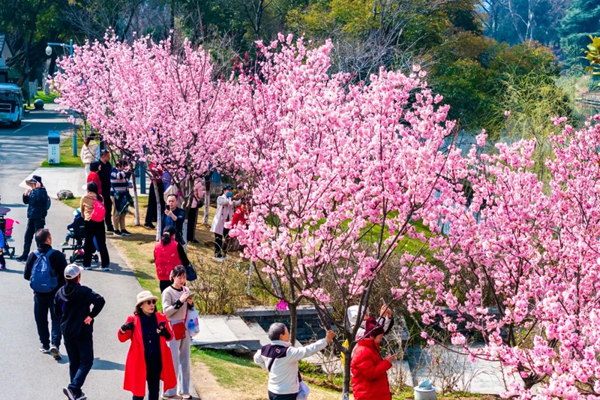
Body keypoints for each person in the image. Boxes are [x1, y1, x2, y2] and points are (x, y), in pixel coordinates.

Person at [55, 264, 106, 400]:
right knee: (87, 361)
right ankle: (73, 388)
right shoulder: (84, 291)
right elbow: (100, 300)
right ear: (78, 277)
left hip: (67, 331)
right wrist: (91, 315)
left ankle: (75, 394)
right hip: (82, 331)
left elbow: (57, 312)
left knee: (74, 361)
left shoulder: (60, 292)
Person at [118, 290, 176, 400]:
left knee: (154, 391)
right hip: (140, 360)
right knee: (138, 393)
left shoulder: (160, 318)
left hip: (156, 360)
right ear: (141, 305)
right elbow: (122, 338)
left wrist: (165, 333)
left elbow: (170, 336)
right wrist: (123, 328)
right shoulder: (133, 320)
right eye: (148, 302)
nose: (152, 305)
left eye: (153, 302)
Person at [254, 323, 336, 400]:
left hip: (272, 390)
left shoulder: (264, 349)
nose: (289, 334)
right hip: (286, 393)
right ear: (281, 336)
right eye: (287, 332)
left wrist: (269, 369)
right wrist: (326, 340)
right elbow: (308, 350)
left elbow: (256, 359)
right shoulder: (287, 352)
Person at [23, 228, 67, 360]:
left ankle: (44, 344)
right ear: (48, 240)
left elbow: (26, 275)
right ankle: (55, 343)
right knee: (56, 319)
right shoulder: (57, 255)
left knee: (40, 319)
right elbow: (65, 276)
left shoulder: (33, 255)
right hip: (56, 294)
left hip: (38, 294)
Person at [162, 265, 195, 399]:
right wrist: (179, 302)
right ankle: (170, 390)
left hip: (185, 326)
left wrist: (191, 303)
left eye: (184, 277)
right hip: (172, 327)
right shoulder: (167, 292)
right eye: (179, 277)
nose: (182, 280)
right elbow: (166, 312)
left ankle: (184, 389)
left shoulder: (186, 290)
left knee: (185, 359)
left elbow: (190, 309)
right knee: (173, 360)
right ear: (173, 277)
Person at [350, 318, 394, 400]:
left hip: (374, 393)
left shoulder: (371, 349)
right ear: (371, 336)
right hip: (368, 395)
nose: (381, 340)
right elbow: (371, 374)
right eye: (380, 337)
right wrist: (386, 363)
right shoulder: (362, 352)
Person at [16, 175, 49, 261]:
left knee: (39, 237)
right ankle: (25, 254)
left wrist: (37, 189)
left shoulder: (42, 191)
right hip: (31, 216)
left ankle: (41, 254)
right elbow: (26, 201)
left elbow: (40, 199)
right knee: (28, 236)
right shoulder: (33, 191)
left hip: (39, 217)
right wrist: (25, 195)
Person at [80, 182, 110, 271]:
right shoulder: (100, 197)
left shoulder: (85, 198)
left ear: (88, 189)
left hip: (89, 221)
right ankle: (105, 265)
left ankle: (87, 264)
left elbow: (82, 210)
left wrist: (85, 216)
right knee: (102, 243)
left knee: (88, 242)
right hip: (100, 221)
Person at [155, 226, 190, 292]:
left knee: (165, 299)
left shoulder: (157, 245)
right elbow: (185, 261)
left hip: (162, 276)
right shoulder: (176, 245)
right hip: (176, 277)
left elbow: (156, 259)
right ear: (173, 235)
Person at [210, 185, 240, 260]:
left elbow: (236, 203)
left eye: (230, 190)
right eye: (228, 190)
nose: (229, 191)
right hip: (220, 221)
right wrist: (232, 198)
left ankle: (224, 252)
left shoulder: (231, 200)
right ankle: (217, 254)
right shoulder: (220, 198)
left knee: (227, 238)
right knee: (218, 238)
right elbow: (224, 202)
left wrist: (242, 197)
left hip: (227, 223)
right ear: (224, 190)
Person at [111, 159, 133, 236]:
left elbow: (127, 181)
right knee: (117, 212)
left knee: (123, 212)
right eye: (124, 166)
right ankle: (116, 230)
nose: (125, 168)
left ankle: (123, 229)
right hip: (115, 195)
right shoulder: (113, 171)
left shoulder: (124, 173)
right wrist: (126, 170)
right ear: (119, 166)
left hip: (124, 194)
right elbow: (119, 176)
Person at [144, 165, 165, 229]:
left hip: (160, 184)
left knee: (161, 203)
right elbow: (153, 173)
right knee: (152, 203)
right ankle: (148, 220)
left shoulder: (161, 163)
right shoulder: (153, 164)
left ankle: (157, 219)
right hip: (155, 184)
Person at [98, 150, 114, 232]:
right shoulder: (98, 165)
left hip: (108, 189)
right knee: (100, 208)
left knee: (108, 207)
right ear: (103, 156)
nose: (109, 157)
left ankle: (109, 224)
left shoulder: (108, 165)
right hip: (101, 190)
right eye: (107, 156)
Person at [186, 178, 205, 244]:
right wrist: (203, 193)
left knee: (186, 220)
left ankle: (185, 235)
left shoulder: (186, 180)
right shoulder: (198, 183)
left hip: (185, 203)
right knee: (192, 222)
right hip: (193, 204)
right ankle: (190, 238)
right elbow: (200, 195)